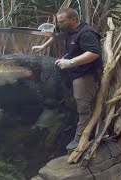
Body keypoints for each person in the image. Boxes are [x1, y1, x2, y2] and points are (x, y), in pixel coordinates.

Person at [32, 8, 103, 150]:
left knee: (84, 108)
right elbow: (58, 36)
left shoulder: (86, 33)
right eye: (58, 22)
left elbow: (94, 53)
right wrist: (43, 46)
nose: (59, 24)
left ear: (73, 20)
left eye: (62, 21)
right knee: (77, 105)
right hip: (75, 74)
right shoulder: (71, 30)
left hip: (85, 76)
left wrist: (71, 62)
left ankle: (81, 139)